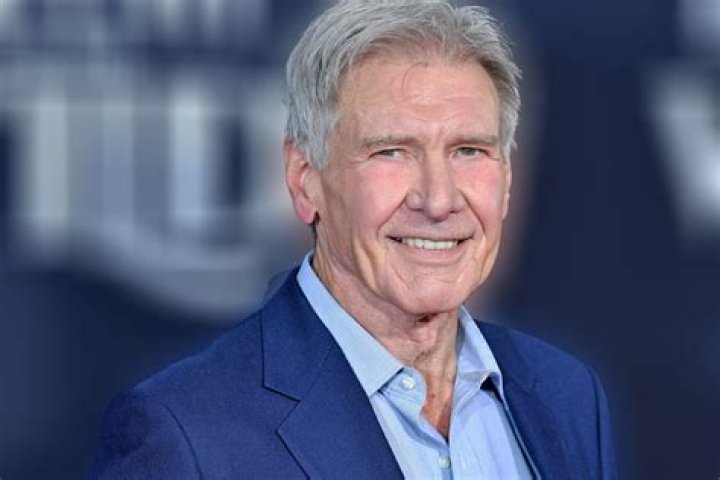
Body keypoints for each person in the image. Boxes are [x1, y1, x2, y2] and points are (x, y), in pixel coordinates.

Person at [92, 1, 617, 478]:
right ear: (305, 181)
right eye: (391, 152)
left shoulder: (566, 396)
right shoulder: (184, 432)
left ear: (507, 180)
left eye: (469, 151)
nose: (438, 200)